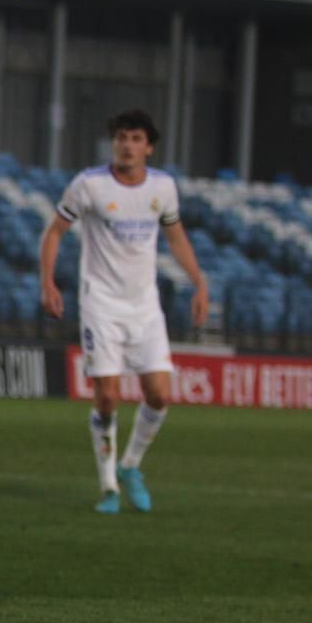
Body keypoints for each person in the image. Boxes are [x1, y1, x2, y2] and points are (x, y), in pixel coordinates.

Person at [39, 109, 209, 515]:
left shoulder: (163, 187)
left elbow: (176, 237)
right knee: (108, 397)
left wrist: (199, 282)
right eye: (120, 138)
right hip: (101, 304)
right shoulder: (89, 185)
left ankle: (131, 465)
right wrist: (47, 281)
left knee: (160, 394)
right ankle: (109, 487)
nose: (127, 145)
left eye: (135, 138)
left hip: (145, 306)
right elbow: (55, 232)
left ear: (148, 147)